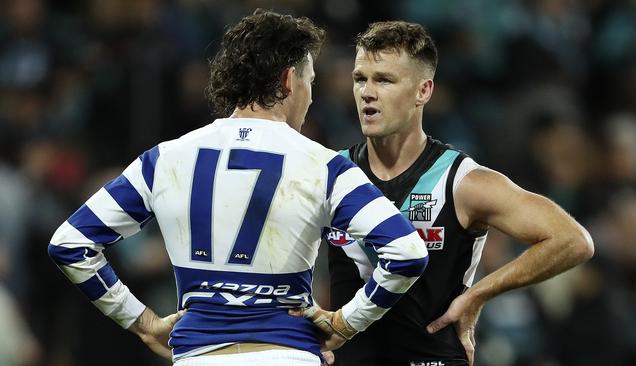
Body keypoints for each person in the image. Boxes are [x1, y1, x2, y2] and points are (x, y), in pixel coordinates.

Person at [47, 10, 429, 366]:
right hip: (286, 354)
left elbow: (70, 245)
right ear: (287, 80)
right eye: (309, 82)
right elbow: (406, 252)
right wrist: (347, 322)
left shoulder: (164, 159)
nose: (311, 97)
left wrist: (142, 321)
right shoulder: (324, 166)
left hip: (198, 356)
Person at [322, 21, 594, 366]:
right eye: (360, 78)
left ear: (424, 91)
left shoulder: (462, 181)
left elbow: (573, 240)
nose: (367, 92)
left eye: (385, 80)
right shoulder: (332, 172)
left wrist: (479, 294)